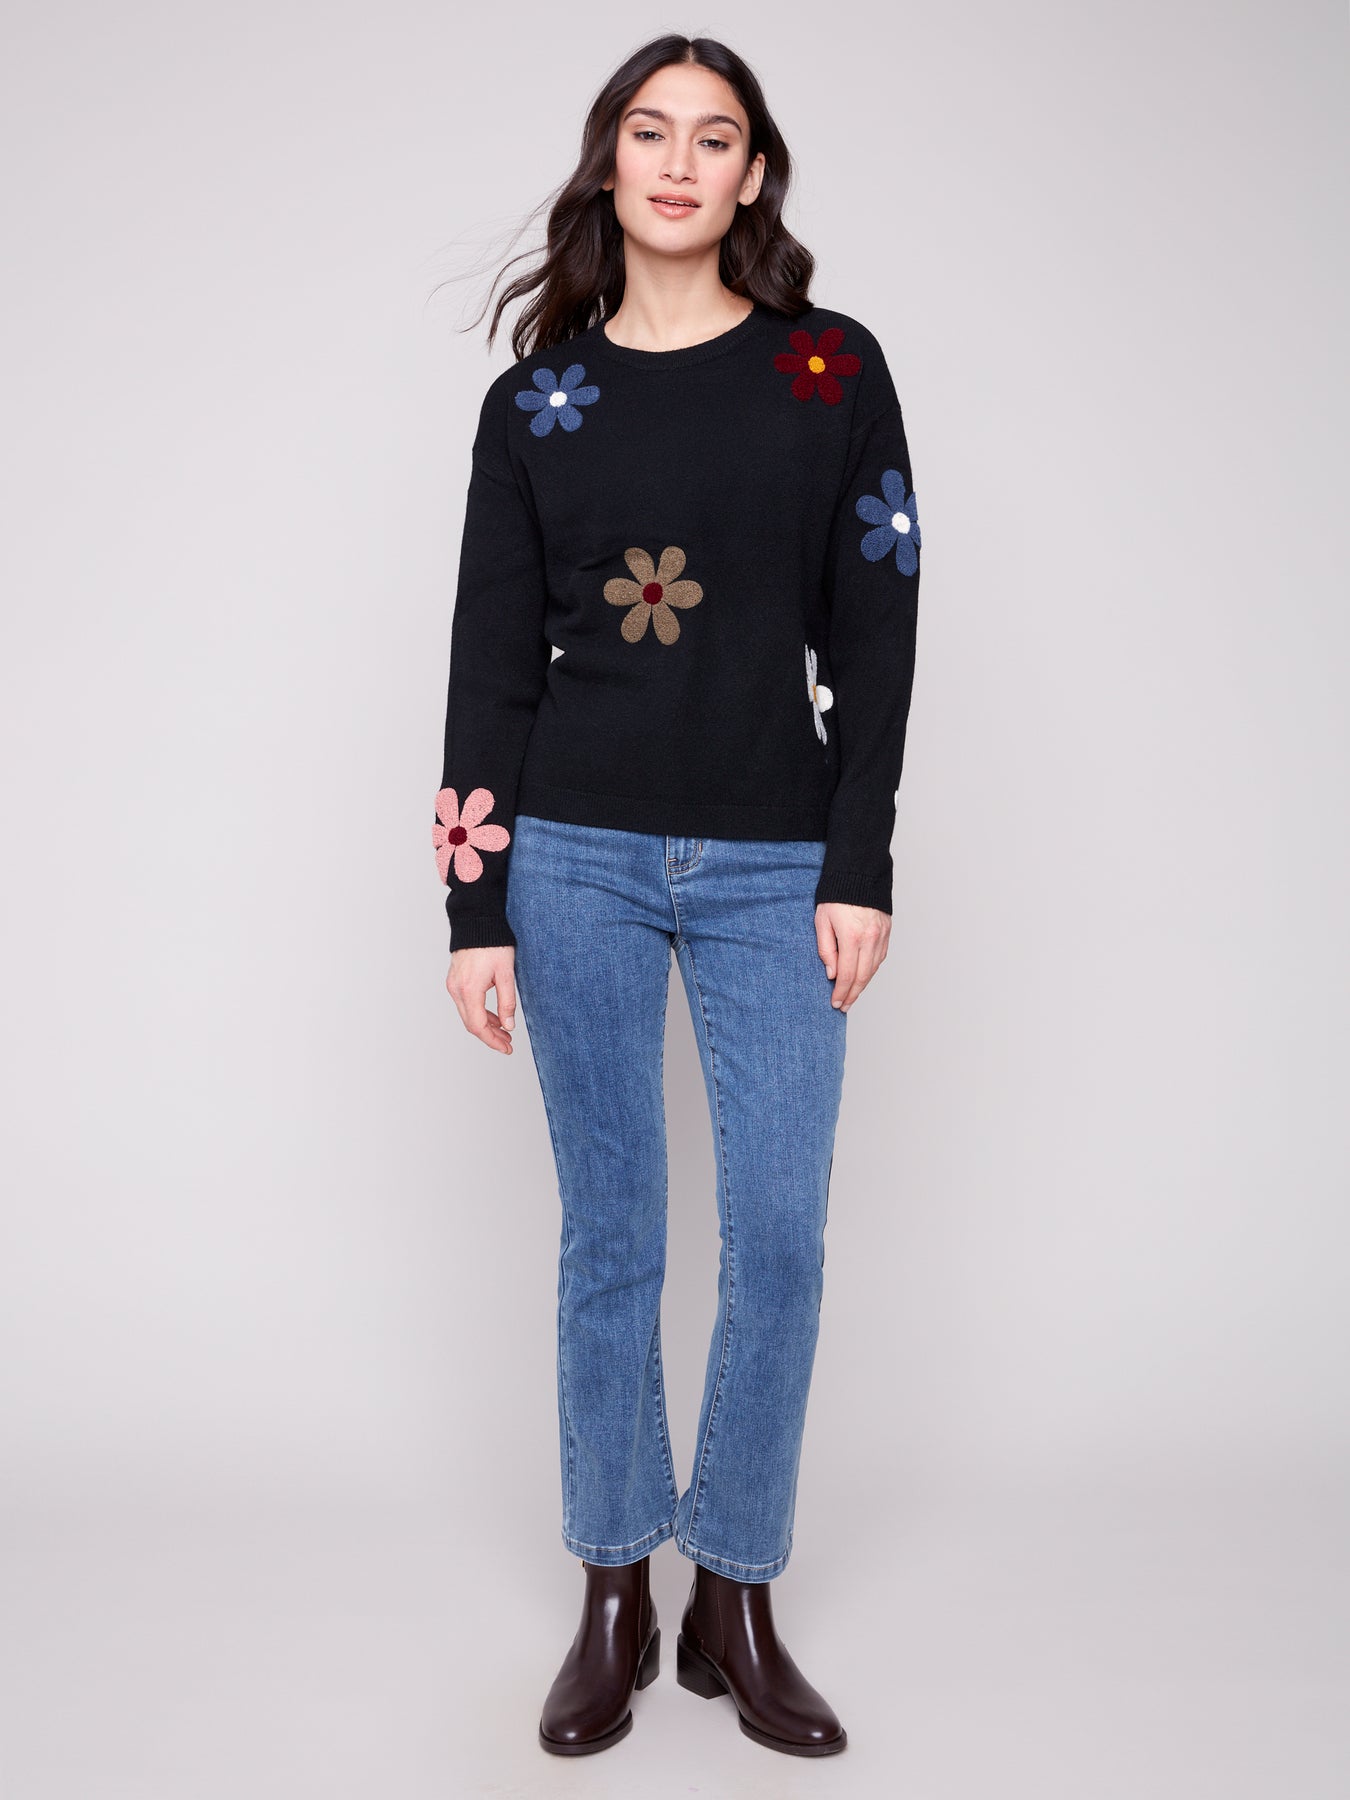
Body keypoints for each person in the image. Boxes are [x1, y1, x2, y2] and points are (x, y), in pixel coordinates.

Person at [432, 33, 921, 1761]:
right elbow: (489, 662)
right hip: (570, 851)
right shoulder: (538, 401)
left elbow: (878, 629)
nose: (677, 162)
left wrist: (858, 863)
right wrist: (472, 906)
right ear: (609, 158)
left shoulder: (827, 369)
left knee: (777, 1239)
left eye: (714, 138)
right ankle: (612, 1591)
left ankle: (737, 1590)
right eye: (650, 131)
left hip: (775, 858)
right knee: (611, 1240)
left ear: (752, 175)